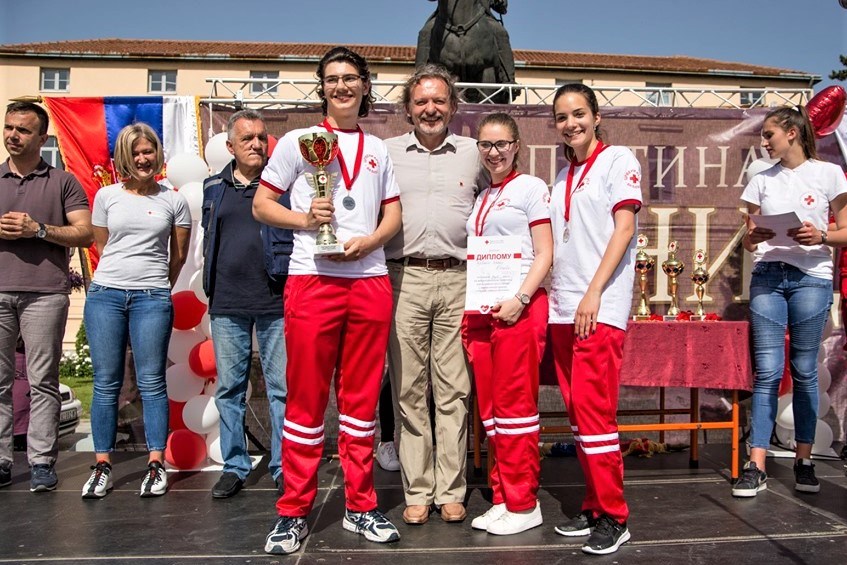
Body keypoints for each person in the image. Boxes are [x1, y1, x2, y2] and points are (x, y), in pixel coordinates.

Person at [253, 46, 402, 555]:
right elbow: (261, 204)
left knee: (361, 406)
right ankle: (293, 512)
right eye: (332, 79)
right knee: (306, 402)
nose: (342, 87)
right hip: (312, 278)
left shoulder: (379, 149)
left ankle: (361, 506)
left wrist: (372, 241)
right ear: (322, 87)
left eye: (350, 78)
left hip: (368, 278)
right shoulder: (300, 140)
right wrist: (305, 221)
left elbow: (393, 215)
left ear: (365, 85)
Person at [384, 64, 481, 524]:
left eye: (438, 101)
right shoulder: (384, 154)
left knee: (453, 390)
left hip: (460, 279)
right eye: (421, 101)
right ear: (408, 108)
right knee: (408, 389)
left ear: (453, 107)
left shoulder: (474, 153)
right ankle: (418, 491)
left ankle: (451, 489)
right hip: (403, 278)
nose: (430, 109)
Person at [733, 105, 847, 498]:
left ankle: (804, 460)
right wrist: (755, 235)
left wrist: (822, 237)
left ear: (793, 133)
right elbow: (748, 238)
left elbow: (846, 230)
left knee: (803, 371)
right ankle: (756, 464)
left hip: (811, 279)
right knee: (766, 371)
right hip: (768, 275)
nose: (764, 142)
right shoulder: (759, 179)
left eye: (769, 135)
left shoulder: (829, 173)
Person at [547, 83, 641, 555]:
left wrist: (594, 293)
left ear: (597, 115)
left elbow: (624, 229)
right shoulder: (560, 177)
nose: (571, 124)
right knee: (580, 418)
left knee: (596, 415)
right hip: (561, 310)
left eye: (579, 113)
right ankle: (593, 503)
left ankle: (615, 515)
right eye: (562, 117)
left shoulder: (618, 160)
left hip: (597, 307)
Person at [80, 123, 191, 499]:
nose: (143, 159)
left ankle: (156, 463)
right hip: (106, 295)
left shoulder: (174, 200)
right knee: (106, 383)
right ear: (126, 157)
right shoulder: (106, 196)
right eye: (136, 152)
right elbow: (104, 247)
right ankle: (102, 466)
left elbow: (178, 257)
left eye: (149, 151)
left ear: (157, 154)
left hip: (151, 297)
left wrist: (155, 286)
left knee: (151, 382)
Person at [461, 112, 553, 535]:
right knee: (494, 414)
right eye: (485, 144)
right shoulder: (482, 196)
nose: (493, 152)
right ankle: (502, 495)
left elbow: (545, 252)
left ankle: (524, 503)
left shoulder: (532, 189)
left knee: (516, 411)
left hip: (518, 309)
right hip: (483, 312)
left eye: (501, 144)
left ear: (517, 146)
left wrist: (520, 299)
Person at [0, 101, 93, 492]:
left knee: (43, 381)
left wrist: (37, 229)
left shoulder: (63, 182)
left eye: (22, 130)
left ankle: (41, 462)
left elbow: (85, 233)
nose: (12, 135)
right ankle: (2, 461)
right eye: (8, 128)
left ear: (42, 137)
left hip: (45, 294)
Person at [201, 109, 290, 499]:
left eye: (261, 137)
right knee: (230, 389)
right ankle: (235, 465)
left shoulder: (283, 185)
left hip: (275, 299)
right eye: (248, 138)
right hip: (227, 302)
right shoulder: (212, 189)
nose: (256, 144)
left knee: (281, 389)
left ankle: (283, 466)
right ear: (230, 146)